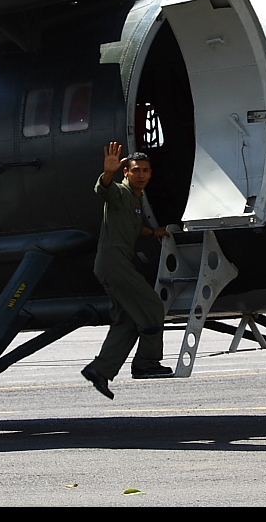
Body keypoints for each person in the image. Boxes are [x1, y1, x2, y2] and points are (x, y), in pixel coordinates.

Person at [81, 142, 173, 400]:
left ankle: (100, 370)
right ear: (127, 173)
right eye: (136, 170)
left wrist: (154, 232)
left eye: (145, 170)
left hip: (117, 263)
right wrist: (108, 172)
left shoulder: (136, 199)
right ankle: (147, 362)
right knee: (152, 306)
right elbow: (103, 190)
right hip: (114, 264)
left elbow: (133, 225)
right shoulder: (120, 192)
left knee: (128, 320)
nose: (141, 175)